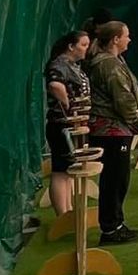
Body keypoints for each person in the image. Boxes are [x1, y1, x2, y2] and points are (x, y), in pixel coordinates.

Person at [84, 21, 138, 244]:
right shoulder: (109, 64)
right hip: (111, 129)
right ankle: (110, 228)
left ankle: (116, 224)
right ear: (116, 39)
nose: (130, 39)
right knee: (114, 179)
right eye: (126, 36)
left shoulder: (113, 61)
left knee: (118, 179)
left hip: (115, 127)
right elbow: (123, 97)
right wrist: (135, 121)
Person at [43, 32, 91, 218]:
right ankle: (62, 215)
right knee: (61, 171)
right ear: (71, 46)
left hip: (72, 125)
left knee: (69, 170)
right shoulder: (59, 64)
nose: (86, 49)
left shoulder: (71, 65)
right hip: (62, 124)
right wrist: (68, 105)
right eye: (83, 45)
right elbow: (54, 85)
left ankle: (68, 212)